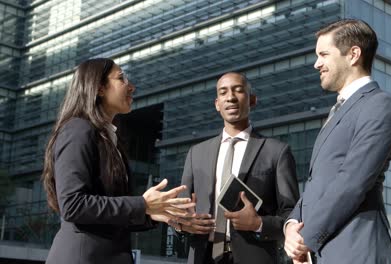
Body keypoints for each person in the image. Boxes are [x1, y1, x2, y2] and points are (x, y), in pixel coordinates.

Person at [42, 58, 194, 264]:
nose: (131, 86)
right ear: (99, 88)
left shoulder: (109, 138)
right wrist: (142, 204)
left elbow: (107, 213)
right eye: (121, 78)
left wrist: (154, 212)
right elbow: (72, 204)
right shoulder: (78, 129)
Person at [284, 19, 391, 264]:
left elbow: (352, 181)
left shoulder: (379, 104)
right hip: (323, 251)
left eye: (324, 54)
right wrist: (292, 224)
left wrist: (305, 236)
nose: (317, 63)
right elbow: (319, 182)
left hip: (356, 249)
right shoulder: (337, 111)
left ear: (353, 54)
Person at [175, 72, 300, 264]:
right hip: (203, 256)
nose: (231, 97)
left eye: (238, 91)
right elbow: (180, 210)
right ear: (217, 104)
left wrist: (259, 223)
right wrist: (182, 224)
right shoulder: (196, 153)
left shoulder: (277, 151)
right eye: (223, 92)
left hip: (255, 257)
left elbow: (291, 214)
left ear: (252, 100)